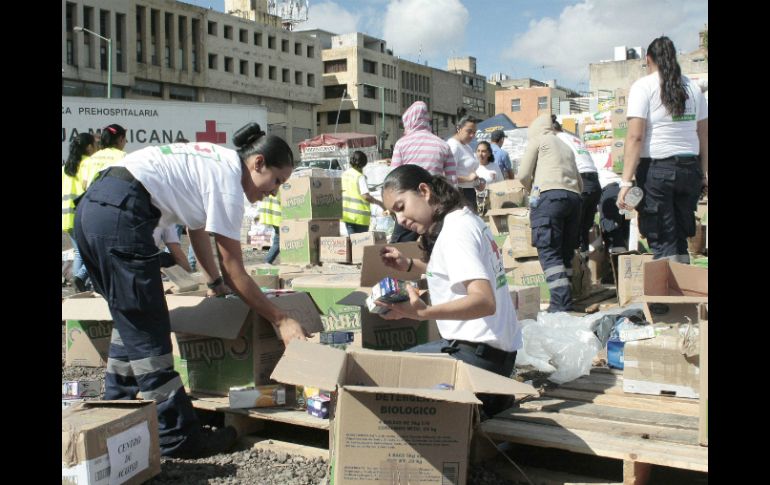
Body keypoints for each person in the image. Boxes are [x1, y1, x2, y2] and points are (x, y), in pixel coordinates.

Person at [73, 122, 309, 458]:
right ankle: (177, 436)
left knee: (130, 319)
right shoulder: (229, 181)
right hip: (123, 214)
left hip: (95, 209)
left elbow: (198, 232)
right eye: (276, 181)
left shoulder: (214, 162)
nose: (274, 191)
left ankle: (116, 408)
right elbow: (234, 266)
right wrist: (280, 318)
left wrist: (215, 283)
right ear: (258, 163)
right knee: (150, 328)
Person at [376, 164, 522, 418]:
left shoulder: (455, 232)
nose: (400, 220)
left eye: (401, 207)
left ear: (424, 191)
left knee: (386, 375)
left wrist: (423, 313)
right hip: (495, 356)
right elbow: (456, 270)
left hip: (479, 358)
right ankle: (490, 401)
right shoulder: (464, 218)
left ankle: (481, 403)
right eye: (393, 214)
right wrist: (409, 265)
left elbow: (484, 301)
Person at [619, 36, 708, 264]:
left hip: (657, 171)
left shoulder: (644, 86)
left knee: (662, 237)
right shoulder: (694, 88)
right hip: (690, 169)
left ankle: (665, 298)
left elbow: (635, 136)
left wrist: (626, 182)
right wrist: (704, 173)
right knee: (680, 236)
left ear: (648, 59)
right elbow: (704, 135)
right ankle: (682, 295)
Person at [518, 113, 583, 312]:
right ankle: (569, 297)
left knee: (550, 252)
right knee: (565, 252)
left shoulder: (538, 140)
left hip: (549, 198)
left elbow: (522, 174)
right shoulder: (566, 146)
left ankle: (560, 304)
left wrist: (533, 189)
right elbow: (580, 182)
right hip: (574, 199)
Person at [389, 101, 457, 243]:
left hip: (408, 204)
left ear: (409, 120)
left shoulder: (402, 144)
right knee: (434, 246)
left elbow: (393, 178)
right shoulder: (442, 145)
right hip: (435, 205)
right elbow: (452, 181)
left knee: (401, 246)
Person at [552, 116, 601, 259]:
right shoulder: (574, 138)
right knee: (584, 228)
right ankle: (584, 266)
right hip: (595, 183)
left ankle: (576, 266)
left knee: (573, 227)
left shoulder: (558, 138)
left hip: (582, 181)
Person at [62, 133, 97, 292]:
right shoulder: (88, 164)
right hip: (80, 215)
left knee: (79, 252)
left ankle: (79, 286)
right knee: (88, 252)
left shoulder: (65, 168)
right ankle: (80, 280)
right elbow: (89, 187)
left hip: (66, 216)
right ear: (89, 147)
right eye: (94, 145)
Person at [448, 116, 485, 212]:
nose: (472, 135)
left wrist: (477, 182)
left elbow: (468, 171)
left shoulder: (466, 146)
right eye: (469, 131)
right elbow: (447, 175)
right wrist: (468, 179)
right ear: (458, 129)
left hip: (469, 191)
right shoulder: (453, 146)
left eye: (474, 132)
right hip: (459, 193)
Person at [342, 150, 384, 234]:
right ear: (363, 163)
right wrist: (380, 203)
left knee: (352, 243)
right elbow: (366, 196)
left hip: (347, 215)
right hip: (360, 217)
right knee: (360, 244)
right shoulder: (359, 177)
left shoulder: (344, 174)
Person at [78, 124, 128, 190]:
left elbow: (84, 185)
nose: (125, 142)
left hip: (91, 197)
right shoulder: (124, 157)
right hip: (113, 197)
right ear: (121, 139)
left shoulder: (91, 158)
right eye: (125, 140)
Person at [259, 193, 282, 264]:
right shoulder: (280, 186)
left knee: (278, 240)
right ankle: (267, 261)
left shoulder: (271, 184)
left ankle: (267, 261)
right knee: (279, 240)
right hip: (278, 217)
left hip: (272, 216)